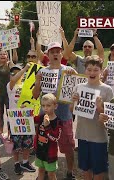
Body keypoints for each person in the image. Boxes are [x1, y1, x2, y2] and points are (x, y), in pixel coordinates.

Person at [32, 41, 77, 179]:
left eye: (58, 51)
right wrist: (38, 81)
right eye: (52, 52)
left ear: (61, 53)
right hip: (45, 116)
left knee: (68, 146)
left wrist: (74, 74)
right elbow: (35, 95)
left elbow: (77, 90)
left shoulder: (68, 70)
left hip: (64, 115)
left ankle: (70, 172)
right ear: (48, 55)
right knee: (44, 144)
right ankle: (45, 171)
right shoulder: (42, 71)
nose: (56, 54)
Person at [70, 55, 113, 180]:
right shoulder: (79, 87)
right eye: (89, 69)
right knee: (85, 170)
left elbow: (110, 116)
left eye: (95, 69)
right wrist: (74, 102)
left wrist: (100, 108)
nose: (92, 72)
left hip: (99, 137)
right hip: (83, 135)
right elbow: (72, 110)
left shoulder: (107, 90)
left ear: (101, 71)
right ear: (85, 70)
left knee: (98, 172)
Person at [6, 63, 36, 175]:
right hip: (14, 119)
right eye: (12, 73)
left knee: (27, 143)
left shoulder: (26, 85)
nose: (15, 74)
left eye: (17, 72)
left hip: (26, 118)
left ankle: (25, 162)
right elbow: (14, 79)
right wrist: (25, 69)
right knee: (15, 144)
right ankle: (16, 163)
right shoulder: (10, 85)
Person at [34, 93, 62, 180]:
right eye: (43, 105)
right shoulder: (41, 117)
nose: (45, 108)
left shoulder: (58, 121)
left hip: (50, 154)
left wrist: (47, 126)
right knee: (41, 171)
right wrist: (25, 111)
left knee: (51, 174)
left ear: (55, 106)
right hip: (40, 151)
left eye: (48, 105)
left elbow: (56, 138)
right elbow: (31, 119)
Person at [0, 49, 17, 135]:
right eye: (0, 54)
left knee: (10, 114)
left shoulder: (10, 65)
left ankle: (10, 133)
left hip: (9, 94)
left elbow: (15, 60)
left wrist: (14, 48)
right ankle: (1, 132)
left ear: (7, 56)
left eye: (4, 54)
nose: (2, 55)